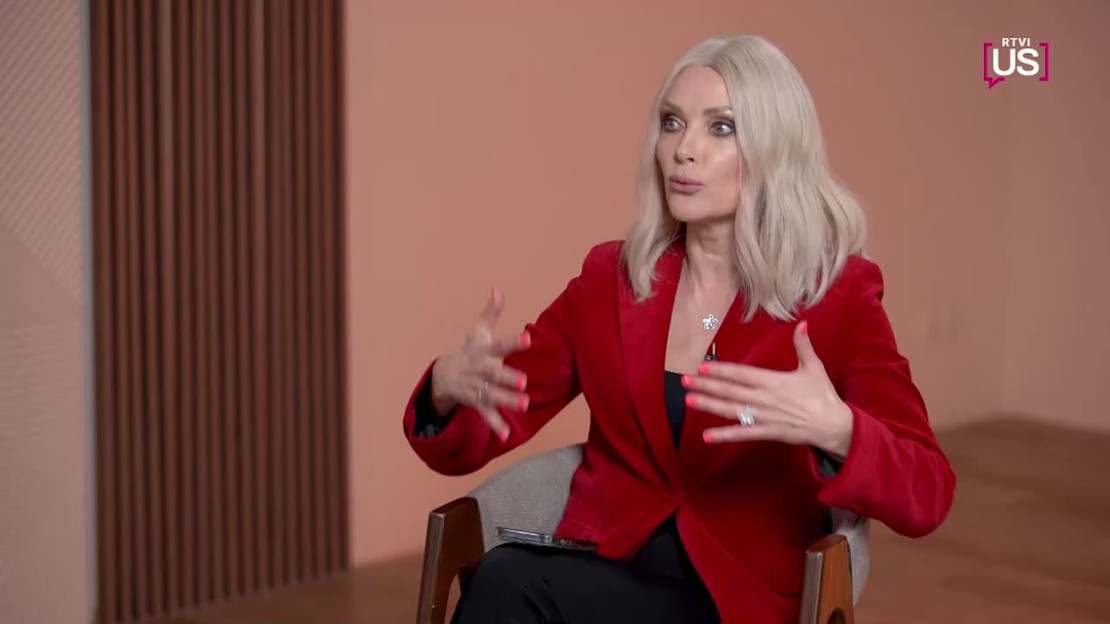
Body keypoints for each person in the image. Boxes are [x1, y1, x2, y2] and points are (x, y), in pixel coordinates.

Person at [401, 34, 956, 624]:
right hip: (606, 568)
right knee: (508, 579)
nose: (684, 150)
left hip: (735, 601)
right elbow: (486, 426)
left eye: (721, 128)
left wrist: (839, 430)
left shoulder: (837, 297)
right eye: (672, 123)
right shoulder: (608, 279)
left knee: (512, 582)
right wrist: (445, 391)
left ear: (775, 147)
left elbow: (928, 494)